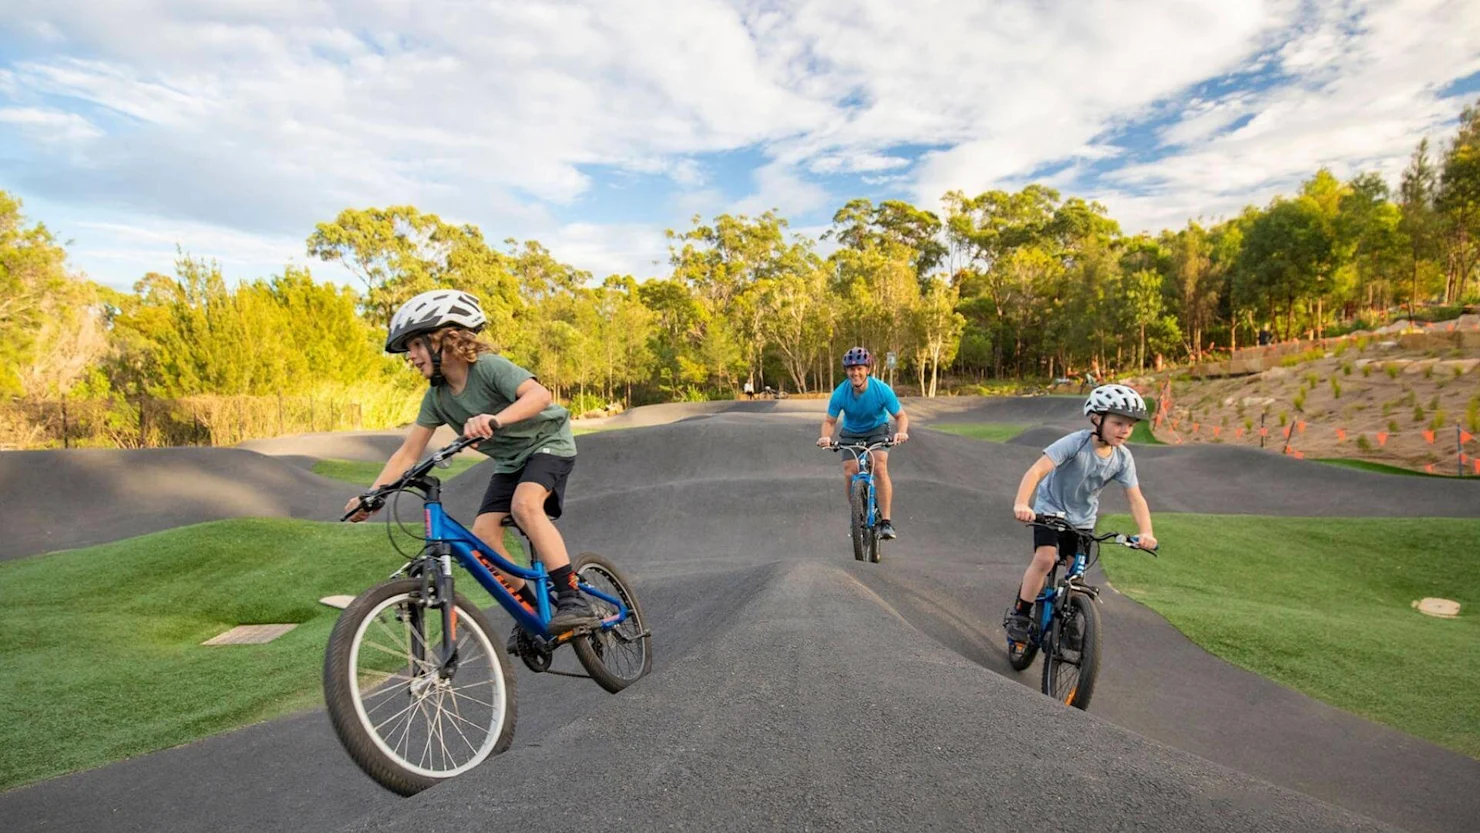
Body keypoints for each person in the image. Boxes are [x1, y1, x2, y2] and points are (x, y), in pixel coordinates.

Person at [343, 289, 596, 635]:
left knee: (524, 505)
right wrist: (373, 495)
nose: (411, 357)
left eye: (416, 345)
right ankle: (535, 610)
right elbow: (407, 453)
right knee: (483, 535)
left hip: (548, 444)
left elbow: (540, 395)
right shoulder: (436, 398)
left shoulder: (489, 368)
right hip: (510, 462)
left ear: (445, 339)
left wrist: (496, 420)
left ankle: (572, 598)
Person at [1002, 384, 1158, 644]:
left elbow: (1135, 498)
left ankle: (1070, 621)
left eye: (1130, 426)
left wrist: (1146, 532)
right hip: (1050, 511)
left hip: (1082, 521)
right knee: (1045, 559)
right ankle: (1021, 613)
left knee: (1077, 576)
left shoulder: (1122, 458)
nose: (1125, 430)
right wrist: (1022, 504)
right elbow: (1036, 471)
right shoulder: (1075, 443)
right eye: (1118, 423)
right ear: (1097, 418)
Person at [815, 347, 909, 540]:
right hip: (851, 432)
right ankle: (856, 514)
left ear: (868, 369)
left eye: (859, 368)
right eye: (850, 369)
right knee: (850, 471)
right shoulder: (841, 393)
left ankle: (886, 523)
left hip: (877, 430)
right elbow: (829, 422)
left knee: (879, 467)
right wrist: (825, 437)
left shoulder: (882, 390)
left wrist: (901, 432)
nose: (854, 372)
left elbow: (900, 416)